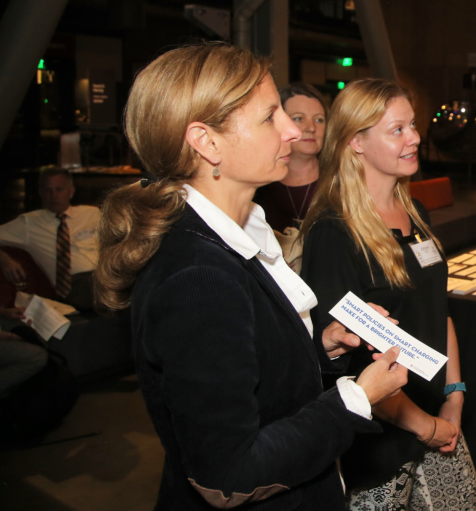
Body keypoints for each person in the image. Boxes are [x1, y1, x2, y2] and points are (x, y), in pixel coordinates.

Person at [93, 43, 408, 510]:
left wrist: (321, 348)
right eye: (270, 117)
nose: (292, 132)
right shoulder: (199, 276)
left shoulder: (235, 236)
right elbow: (227, 475)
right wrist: (356, 399)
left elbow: (250, 382)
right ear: (206, 141)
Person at [300, 78, 476, 511]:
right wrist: (425, 427)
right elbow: (352, 362)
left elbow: (439, 312)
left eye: (413, 126)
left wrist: (454, 396)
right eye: (397, 129)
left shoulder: (414, 211)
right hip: (379, 439)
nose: (415, 137)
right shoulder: (334, 233)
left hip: (437, 416)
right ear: (356, 143)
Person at [0, 168, 100, 310]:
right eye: (48, 190)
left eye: (59, 189)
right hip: (73, 284)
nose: (53, 195)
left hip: (104, 275)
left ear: (71, 191)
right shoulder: (29, 223)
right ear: (41, 193)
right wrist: (4, 259)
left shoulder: (92, 213)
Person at [254, 82, 329, 232]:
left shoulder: (341, 181)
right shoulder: (257, 185)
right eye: (298, 118)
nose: (311, 128)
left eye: (319, 119)